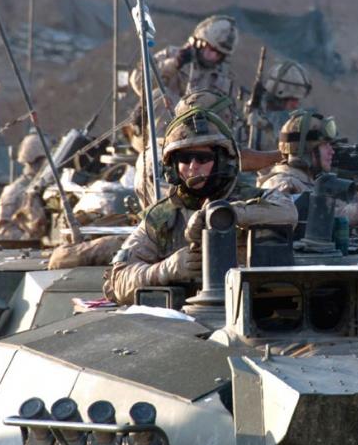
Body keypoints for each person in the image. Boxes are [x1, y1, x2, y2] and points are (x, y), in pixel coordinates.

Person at [104, 108, 297, 305]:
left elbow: (288, 213)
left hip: (247, 310)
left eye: (203, 158)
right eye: (185, 159)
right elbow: (117, 282)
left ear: (223, 160)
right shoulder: (163, 216)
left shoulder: (253, 198)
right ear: (172, 167)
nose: (193, 166)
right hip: (184, 318)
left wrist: (225, 214)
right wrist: (165, 269)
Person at [133, 15, 238, 107]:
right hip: (167, 118)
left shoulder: (223, 80)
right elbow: (138, 82)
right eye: (211, 49)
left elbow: (230, 115)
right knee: (161, 96)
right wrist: (174, 64)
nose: (213, 56)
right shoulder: (173, 54)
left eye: (219, 54)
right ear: (200, 43)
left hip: (200, 122)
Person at [246, 60, 312, 151]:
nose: (296, 105)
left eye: (297, 100)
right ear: (280, 97)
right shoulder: (260, 119)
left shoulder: (285, 119)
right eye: (293, 100)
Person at [0, 133, 45, 239]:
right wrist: (26, 237)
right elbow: (3, 230)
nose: (44, 164)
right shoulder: (13, 192)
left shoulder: (51, 188)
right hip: (27, 246)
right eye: (41, 160)